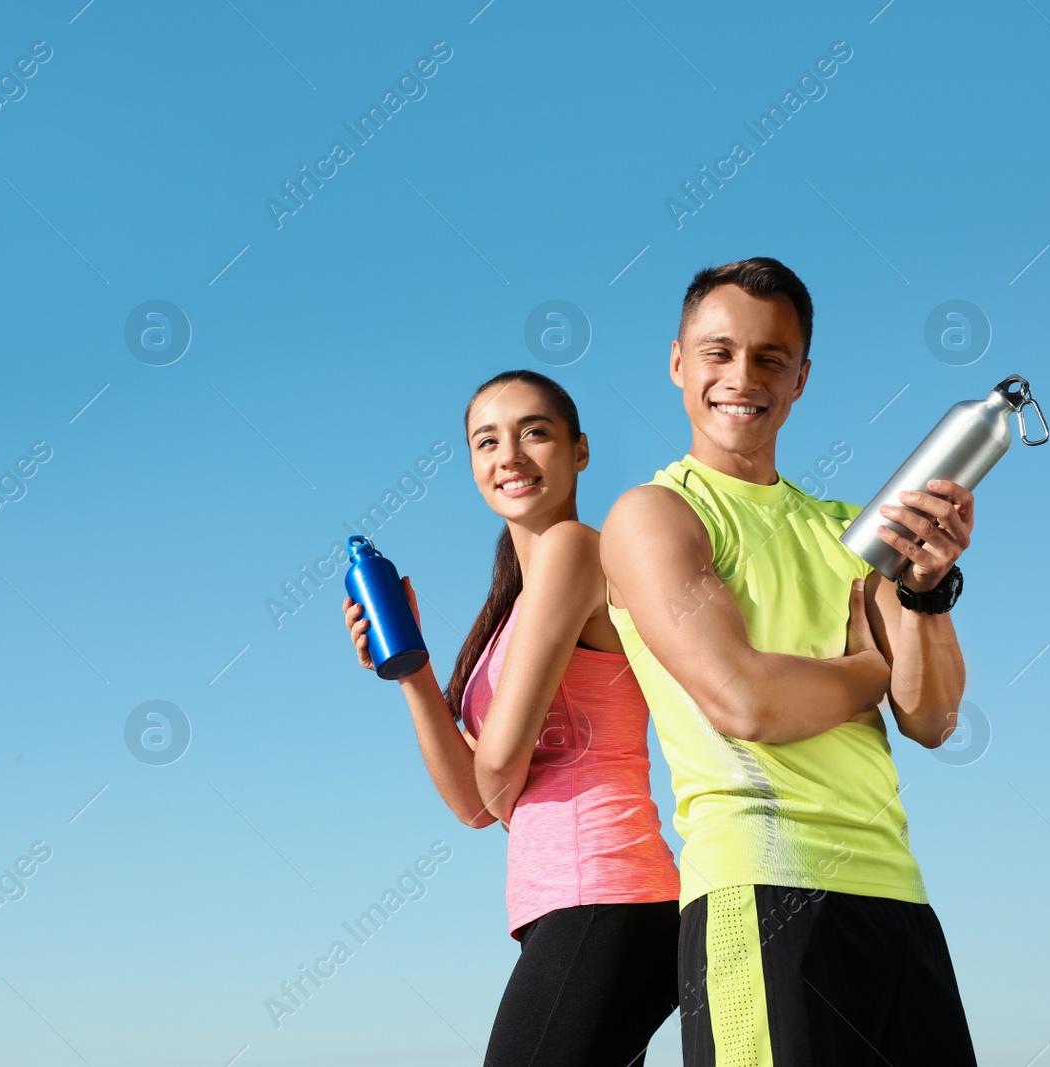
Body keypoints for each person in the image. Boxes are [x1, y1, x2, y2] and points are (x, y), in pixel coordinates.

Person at [601, 257, 977, 1066]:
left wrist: (926, 590)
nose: (743, 375)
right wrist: (869, 668)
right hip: (763, 891)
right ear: (677, 362)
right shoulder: (655, 516)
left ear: (801, 378)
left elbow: (933, 717)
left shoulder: (856, 530)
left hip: (897, 894)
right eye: (719, 351)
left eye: (771, 357)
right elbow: (748, 703)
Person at [342, 369, 681, 1066]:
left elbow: (495, 775)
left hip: (606, 891)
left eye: (534, 432)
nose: (510, 456)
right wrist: (412, 671)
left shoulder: (574, 549)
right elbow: (474, 803)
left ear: (580, 450)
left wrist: (497, 771)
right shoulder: (512, 606)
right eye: (486, 441)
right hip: (571, 907)